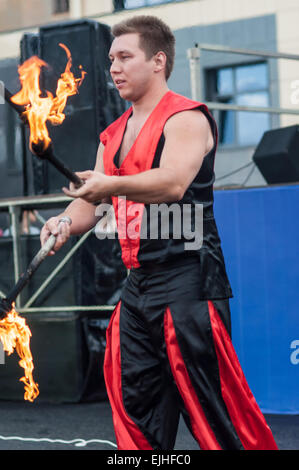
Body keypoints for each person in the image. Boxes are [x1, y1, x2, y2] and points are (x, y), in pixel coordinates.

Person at [40, 15, 278, 450]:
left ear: (158, 61)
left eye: (125, 57)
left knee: (215, 411)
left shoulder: (186, 118)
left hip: (188, 281)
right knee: (137, 410)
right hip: (138, 287)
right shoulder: (111, 134)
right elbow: (92, 203)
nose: (113, 67)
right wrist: (63, 222)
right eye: (111, 58)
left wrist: (107, 184)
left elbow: (171, 183)